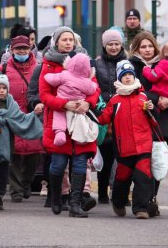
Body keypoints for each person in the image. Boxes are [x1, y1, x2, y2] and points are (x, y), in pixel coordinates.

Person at [39, 26, 100, 218]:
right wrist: (65, 104)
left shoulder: (84, 62)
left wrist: (87, 104)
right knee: (58, 164)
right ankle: (57, 196)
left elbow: (94, 88)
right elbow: (44, 94)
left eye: (70, 40)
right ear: (56, 42)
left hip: (81, 120)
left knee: (81, 163)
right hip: (59, 120)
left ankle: (75, 204)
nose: (68, 43)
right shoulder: (48, 64)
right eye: (64, 39)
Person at [128, 31, 168, 216]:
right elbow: (134, 89)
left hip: (162, 119)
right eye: (142, 47)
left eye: (150, 46)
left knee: (157, 161)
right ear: (137, 49)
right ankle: (141, 201)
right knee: (142, 163)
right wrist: (156, 97)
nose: (147, 50)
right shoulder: (132, 66)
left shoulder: (165, 63)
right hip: (139, 118)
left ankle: (151, 197)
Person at [95, 60, 157, 219]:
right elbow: (103, 119)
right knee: (122, 179)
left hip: (143, 146)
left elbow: (153, 121)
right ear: (119, 78)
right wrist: (93, 109)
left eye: (130, 74)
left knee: (143, 177)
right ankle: (118, 203)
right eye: (124, 75)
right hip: (124, 148)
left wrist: (152, 110)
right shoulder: (115, 100)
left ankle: (140, 209)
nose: (128, 78)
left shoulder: (143, 98)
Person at [0, 35, 45, 203]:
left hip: (33, 116)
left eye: (24, 48)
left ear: (30, 49)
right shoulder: (2, 69)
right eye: (18, 48)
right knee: (13, 156)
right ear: (12, 50)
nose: (22, 51)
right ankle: (16, 190)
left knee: (34, 155)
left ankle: (26, 182)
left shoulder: (40, 68)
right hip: (11, 117)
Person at [0, 73, 43, 211]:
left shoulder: (12, 105)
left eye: (4, 88)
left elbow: (21, 119)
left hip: (6, 145)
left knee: (3, 171)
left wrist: (34, 114)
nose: (1, 90)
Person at [94, 29, 127, 204]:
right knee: (106, 156)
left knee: (123, 157)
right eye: (110, 44)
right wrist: (101, 107)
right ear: (104, 46)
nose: (113, 47)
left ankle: (120, 192)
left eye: (116, 44)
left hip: (124, 114)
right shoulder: (97, 64)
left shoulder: (128, 64)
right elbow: (95, 88)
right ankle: (101, 191)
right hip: (105, 115)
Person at [44, 53, 97, 146]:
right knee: (79, 119)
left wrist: (47, 75)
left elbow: (51, 79)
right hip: (78, 104)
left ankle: (60, 133)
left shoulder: (64, 75)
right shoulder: (87, 82)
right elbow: (93, 89)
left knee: (59, 115)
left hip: (62, 100)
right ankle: (79, 137)